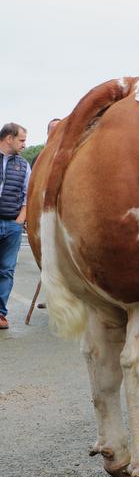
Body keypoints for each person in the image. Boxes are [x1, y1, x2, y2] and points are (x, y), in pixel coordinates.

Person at [0, 123, 31, 329]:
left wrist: (20, 220)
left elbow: (28, 195)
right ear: (8, 138)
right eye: (21, 140)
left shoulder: (23, 165)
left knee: (6, 270)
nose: (24, 144)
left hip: (12, 224)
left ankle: (0, 314)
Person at [36, 118, 61, 310]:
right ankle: (51, 295)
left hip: (61, 213)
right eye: (53, 128)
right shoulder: (44, 156)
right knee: (45, 257)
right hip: (42, 213)